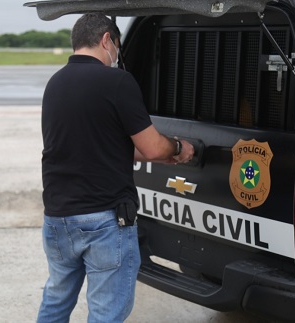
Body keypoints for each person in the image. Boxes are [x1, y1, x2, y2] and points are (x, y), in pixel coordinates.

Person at [37, 13, 195, 323]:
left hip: (58, 217)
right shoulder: (116, 81)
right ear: (107, 40)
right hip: (103, 218)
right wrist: (177, 148)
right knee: (106, 312)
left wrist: (160, 155)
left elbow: (99, 146)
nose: (116, 55)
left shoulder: (55, 83)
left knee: (56, 300)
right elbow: (152, 146)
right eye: (117, 46)